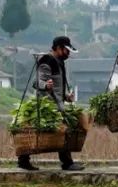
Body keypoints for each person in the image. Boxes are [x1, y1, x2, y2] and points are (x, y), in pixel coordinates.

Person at [18, 36, 85, 172]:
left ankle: (23, 160)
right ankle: (67, 163)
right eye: (66, 51)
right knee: (61, 131)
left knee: (47, 132)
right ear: (59, 48)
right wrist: (45, 85)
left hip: (56, 103)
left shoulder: (59, 62)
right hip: (47, 105)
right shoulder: (47, 61)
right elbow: (37, 82)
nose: (68, 54)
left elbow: (56, 88)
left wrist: (66, 97)